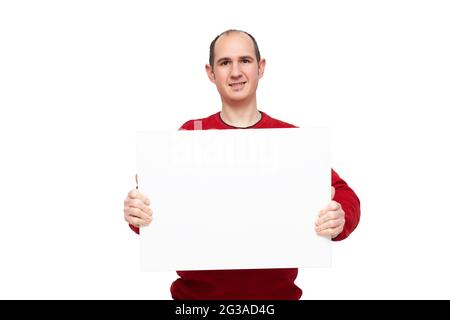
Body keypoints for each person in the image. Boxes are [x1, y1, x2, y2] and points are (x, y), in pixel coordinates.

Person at [124, 29, 361, 299]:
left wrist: (339, 216)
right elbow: (150, 208)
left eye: (245, 61)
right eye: (225, 63)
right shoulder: (189, 136)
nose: (236, 72)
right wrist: (136, 213)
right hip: (197, 303)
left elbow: (344, 194)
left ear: (261, 68)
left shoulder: (291, 140)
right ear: (211, 73)